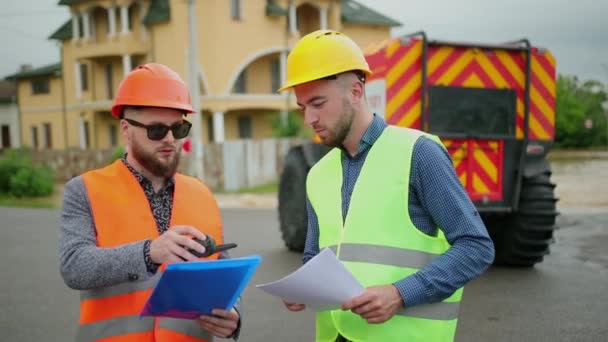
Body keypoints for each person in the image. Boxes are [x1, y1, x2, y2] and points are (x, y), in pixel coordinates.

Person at [277, 30, 495, 341]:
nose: (309, 118)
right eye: (302, 107)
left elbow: (476, 247)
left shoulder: (419, 153)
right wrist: (304, 286)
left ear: (355, 91)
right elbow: (317, 256)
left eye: (318, 103)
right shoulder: (318, 174)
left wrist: (399, 294)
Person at [58, 63, 241, 341]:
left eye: (178, 129)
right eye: (156, 130)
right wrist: (148, 253)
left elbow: (221, 270)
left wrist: (233, 315)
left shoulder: (201, 194)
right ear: (126, 129)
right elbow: (75, 267)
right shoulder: (84, 190)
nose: (169, 139)